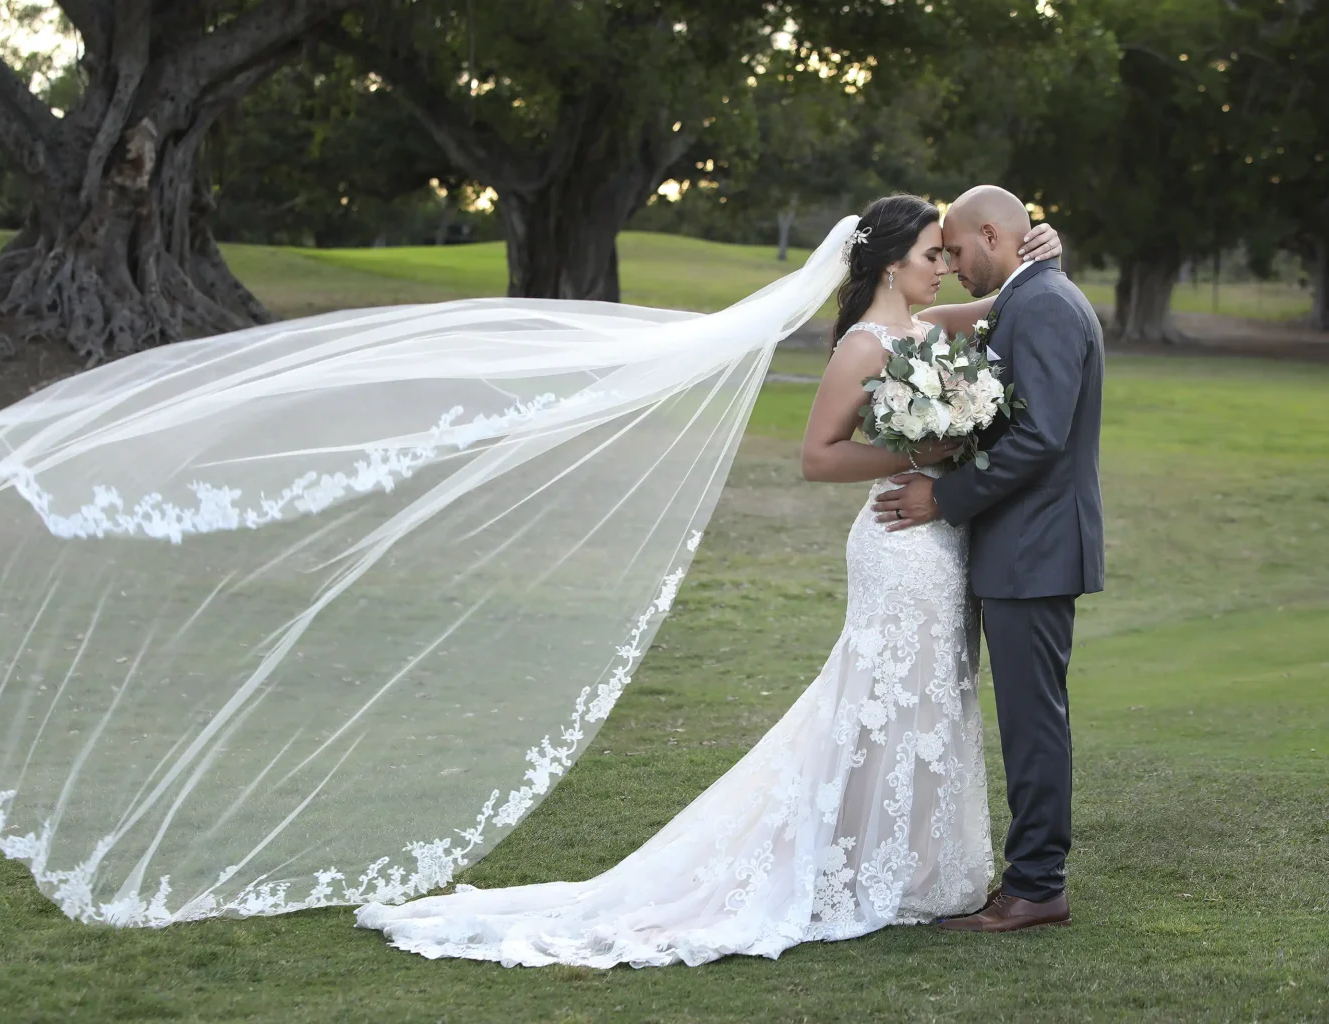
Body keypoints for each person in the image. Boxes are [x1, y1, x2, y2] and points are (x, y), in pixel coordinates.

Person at [353, 193, 1068, 965]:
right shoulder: (863, 348)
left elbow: (1009, 300)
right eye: (933, 255)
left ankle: (908, 867)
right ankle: (854, 866)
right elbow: (818, 457)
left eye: (949, 254)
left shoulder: (928, 329)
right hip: (898, 540)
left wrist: (1046, 253)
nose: (946, 268)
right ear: (893, 264)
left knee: (932, 698)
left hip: (943, 544)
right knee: (877, 698)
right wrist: (920, 456)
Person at [870, 184, 1104, 933]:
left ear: (995, 237)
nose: (953, 265)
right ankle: (1031, 880)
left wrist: (943, 497)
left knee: (1033, 724)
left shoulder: (1044, 305)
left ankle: (1036, 887)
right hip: (1022, 545)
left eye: (958, 250)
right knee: (1029, 721)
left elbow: (1041, 437)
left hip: (1036, 547)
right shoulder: (1029, 298)